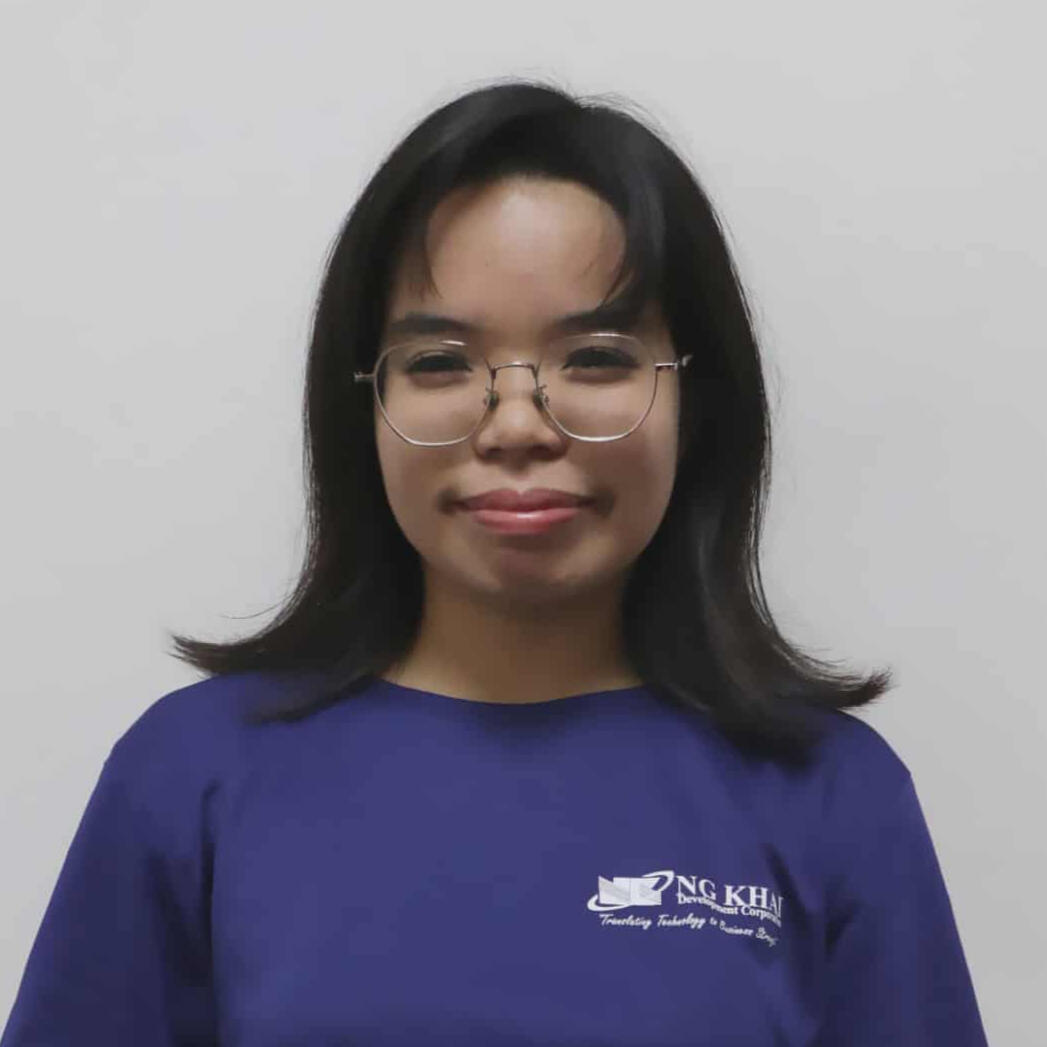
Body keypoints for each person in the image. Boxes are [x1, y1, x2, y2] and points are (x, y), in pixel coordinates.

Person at [1, 79, 990, 1046]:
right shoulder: (192, 774)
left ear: (698, 403)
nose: (516, 423)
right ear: (364, 406)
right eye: (439, 362)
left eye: (595, 357)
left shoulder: (832, 791)